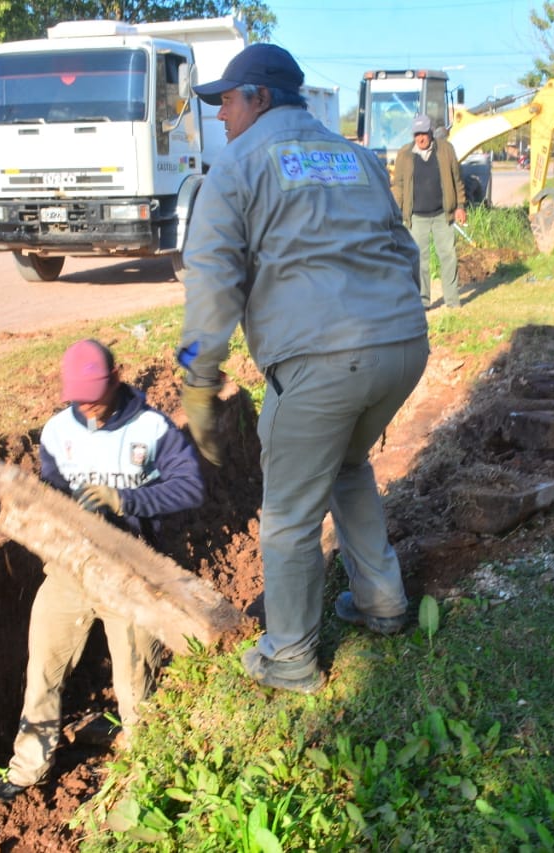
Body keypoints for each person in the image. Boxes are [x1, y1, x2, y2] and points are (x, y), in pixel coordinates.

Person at [175, 43, 429, 695]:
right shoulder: (356, 157)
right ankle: (383, 602)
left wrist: (199, 378)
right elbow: (403, 251)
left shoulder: (237, 167)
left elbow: (211, 280)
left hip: (322, 360)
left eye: (227, 100)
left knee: (288, 515)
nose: (221, 115)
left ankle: (288, 656)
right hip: (403, 344)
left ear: (260, 97)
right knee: (347, 465)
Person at [0, 338, 204, 804]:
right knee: (43, 671)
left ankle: (146, 777)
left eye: (94, 398)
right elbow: (49, 496)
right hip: (69, 571)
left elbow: (190, 488)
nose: (87, 408)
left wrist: (126, 500)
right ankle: (28, 767)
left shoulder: (151, 429)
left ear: (116, 378)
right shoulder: (58, 431)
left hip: (132, 577)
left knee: (135, 688)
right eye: (78, 399)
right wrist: (6, 509)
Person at [391, 113, 467, 310]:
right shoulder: (405, 154)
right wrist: (395, 211)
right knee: (420, 261)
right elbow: (398, 185)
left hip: (443, 214)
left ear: (431, 132)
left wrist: (460, 206)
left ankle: (452, 300)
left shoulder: (446, 150)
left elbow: (457, 180)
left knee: (448, 256)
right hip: (416, 217)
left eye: (423, 133)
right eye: (417, 134)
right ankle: (423, 301)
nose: (420, 138)